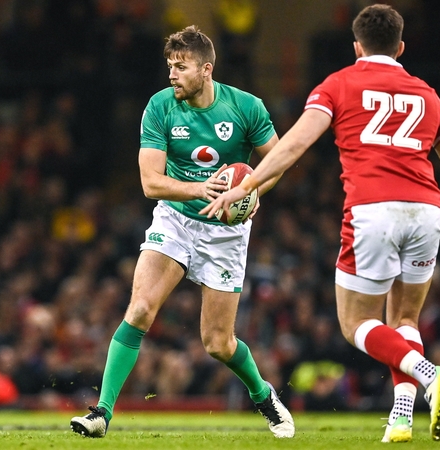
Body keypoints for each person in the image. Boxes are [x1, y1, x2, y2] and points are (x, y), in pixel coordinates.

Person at [202, 4, 440, 443]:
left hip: (372, 210)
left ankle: (431, 376)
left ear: (357, 46)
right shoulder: (428, 94)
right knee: (405, 320)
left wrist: (247, 188)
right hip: (426, 212)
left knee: (355, 323)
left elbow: (293, 146)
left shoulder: (339, 84)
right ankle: (401, 418)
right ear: (400, 47)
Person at [70, 25, 294, 439]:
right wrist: (198, 188)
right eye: (169, 66)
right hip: (175, 219)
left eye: (181, 67)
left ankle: (264, 396)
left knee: (218, 344)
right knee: (139, 309)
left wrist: (253, 191)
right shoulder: (159, 107)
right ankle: (102, 412)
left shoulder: (245, 107)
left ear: (206, 69)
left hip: (227, 232)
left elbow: (278, 160)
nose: (171, 74)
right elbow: (150, 183)